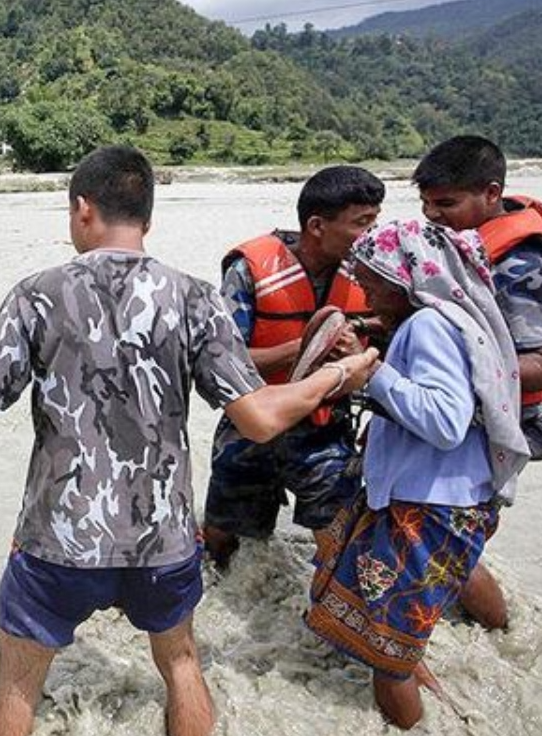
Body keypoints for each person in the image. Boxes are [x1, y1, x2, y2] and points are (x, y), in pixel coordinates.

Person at [0, 146, 378, 736]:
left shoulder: (36, 294)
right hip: (162, 542)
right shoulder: (193, 297)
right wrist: (338, 374)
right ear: (148, 217)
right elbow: (260, 419)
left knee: (16, 683)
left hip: (58, 541)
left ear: (83, 209)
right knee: (183, 663)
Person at [304, 220, 528, 729]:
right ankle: (505, 646)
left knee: (387, 655)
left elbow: (445, 423)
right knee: (406, 628)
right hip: (451, 498)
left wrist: (372, 373)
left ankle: (413, 724)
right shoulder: (450, 318)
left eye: (370, 282)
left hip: (425, 507)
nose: (364, 292)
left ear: (403, 280)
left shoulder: (428, 327)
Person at [202, 166, 385, 566]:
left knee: (341, 541)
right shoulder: (249, 270)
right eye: (361, 223)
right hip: (251, 425)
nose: (372, 235)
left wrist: (358, 349)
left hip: (326, 429)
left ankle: (330, 617)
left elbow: (395, 348)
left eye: (375, 221)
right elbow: (221, 361)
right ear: (317, 225)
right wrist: (310, 346)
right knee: (220, 540)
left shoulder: (375, 270)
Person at [412, 134, 542, 630]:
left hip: (510, 423)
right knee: (447, 531)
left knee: (451, 533)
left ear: (491, 194)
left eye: (446, 203)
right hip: (474, 416)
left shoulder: (517, 263)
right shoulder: (467, 246)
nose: (433, 216)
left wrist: (445, 365)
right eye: (426, 205)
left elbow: (536, 362)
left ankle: (500, 633)